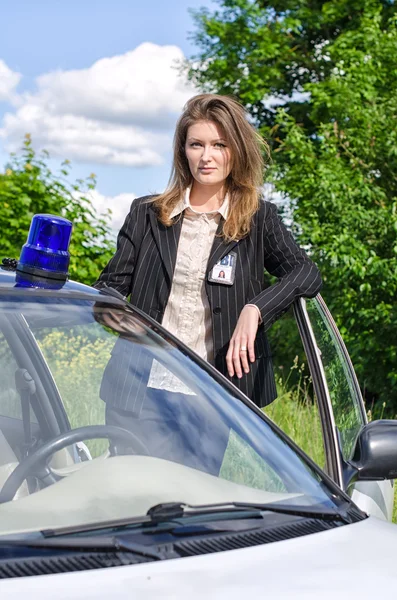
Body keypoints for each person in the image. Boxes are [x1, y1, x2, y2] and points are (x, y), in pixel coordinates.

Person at [94, 93, 322, 473]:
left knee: (190, 507)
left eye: (219, 145)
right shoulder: (147, 214)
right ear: (183, 151)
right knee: (132, 497)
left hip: (211, 393)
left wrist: (256, 310)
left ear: (237, 150)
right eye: (196, 144)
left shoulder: (258, 218)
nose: (207, 156)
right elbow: (110, 289)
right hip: (139, 387)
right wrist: (117, 315)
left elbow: (306, 273)